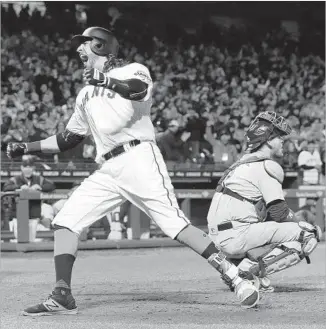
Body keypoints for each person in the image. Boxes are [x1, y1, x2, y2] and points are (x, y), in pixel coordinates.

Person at [5, 27, 259, 316]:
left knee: (174, 225)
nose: (79, 51)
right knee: (65, 221)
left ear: (101, 46)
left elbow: (137, 91)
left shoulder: (134, 70)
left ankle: (234, 275)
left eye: (85, 45)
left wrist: (105, 79)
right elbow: (69, 138)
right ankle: (62, 295)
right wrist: (27, 146)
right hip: (108, 167)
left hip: (138, 157)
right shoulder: (86, 93)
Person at [207, 111, 322, 292]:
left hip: (218, 238)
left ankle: (238, 265)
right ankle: (246, 272)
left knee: (267, 221)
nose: (283, 140)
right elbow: (279, 213)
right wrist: (301, 222)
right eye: (279, 136)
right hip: (235, 236)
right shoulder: (267, 165)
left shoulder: (241, 163)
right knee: (309, 234)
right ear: (268, 140)